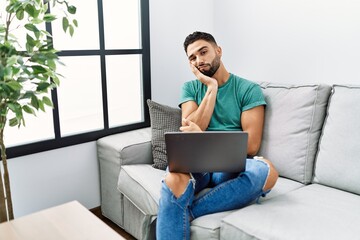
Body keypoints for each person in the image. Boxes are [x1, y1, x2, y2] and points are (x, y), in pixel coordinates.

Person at [156, 31, 279, 240]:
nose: (199, 60)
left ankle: (188, 210)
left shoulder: (248, 89)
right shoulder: (190, 87)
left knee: (266, 171)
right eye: (192, 58)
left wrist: (200, 135)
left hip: (229, 167)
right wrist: (211, 88)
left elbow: (251, 146)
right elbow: (189, 131)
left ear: (218, 51)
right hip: (197, 163)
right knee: (173, 178)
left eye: (203, 52)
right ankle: (182, 209)